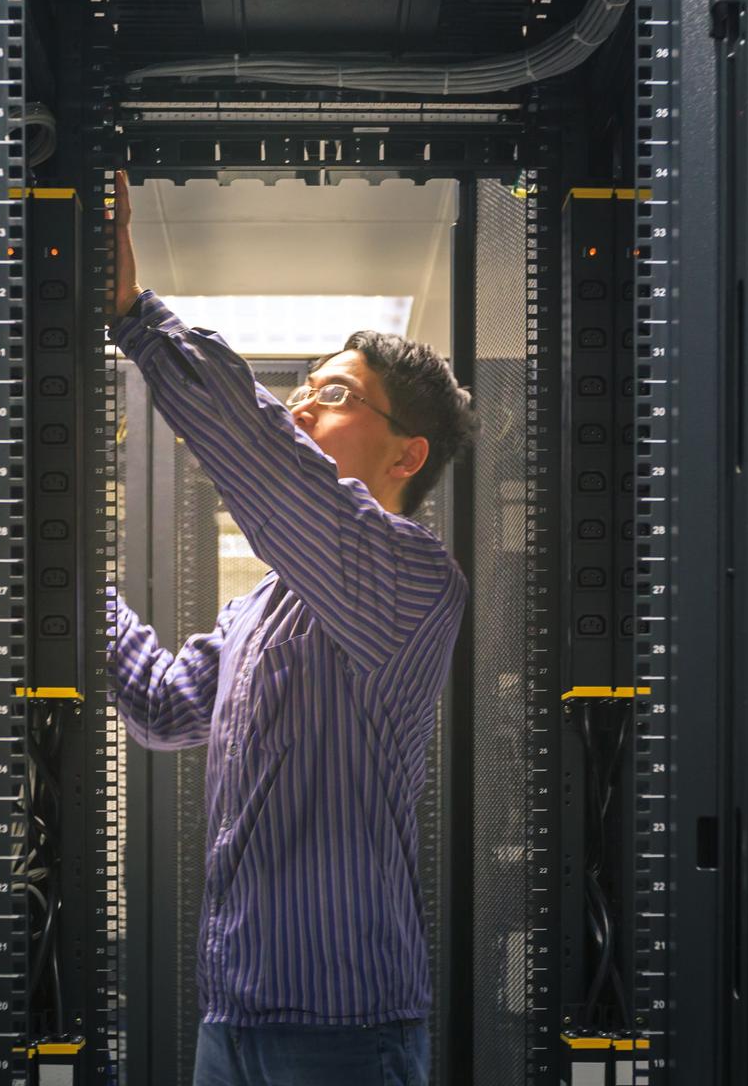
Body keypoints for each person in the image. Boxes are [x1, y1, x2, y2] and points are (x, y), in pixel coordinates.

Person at [103, 170, 476, 1086]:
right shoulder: (260, 607)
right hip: (231, 1017)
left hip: (344, 1034)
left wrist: (137, 316)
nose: (304, 404)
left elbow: (273, 471)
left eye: (336, 395)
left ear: (406, 454)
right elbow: (159, 705)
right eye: (303, 388)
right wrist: (66, 568)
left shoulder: (416, 581)